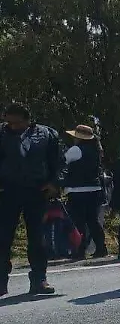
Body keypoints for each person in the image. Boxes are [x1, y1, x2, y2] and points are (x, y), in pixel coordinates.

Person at [0, 103, 62, 296]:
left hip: (36, 191)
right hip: (6, 191)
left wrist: (55, 183)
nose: (12, 126)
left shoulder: (47, 135)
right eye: (8, 122)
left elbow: (60, 161)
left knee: (37, 237)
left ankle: (39, 280)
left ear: (28, 120)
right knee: (2, 237)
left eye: (16, 123)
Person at [62, 124, 107, 260]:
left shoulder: (75, 150)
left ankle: (79, 250)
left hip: (77, 190)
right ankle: (101, 248)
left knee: (78, 222)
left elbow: (63, 161)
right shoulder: (96, 150)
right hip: (94, 189)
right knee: (93, 221)